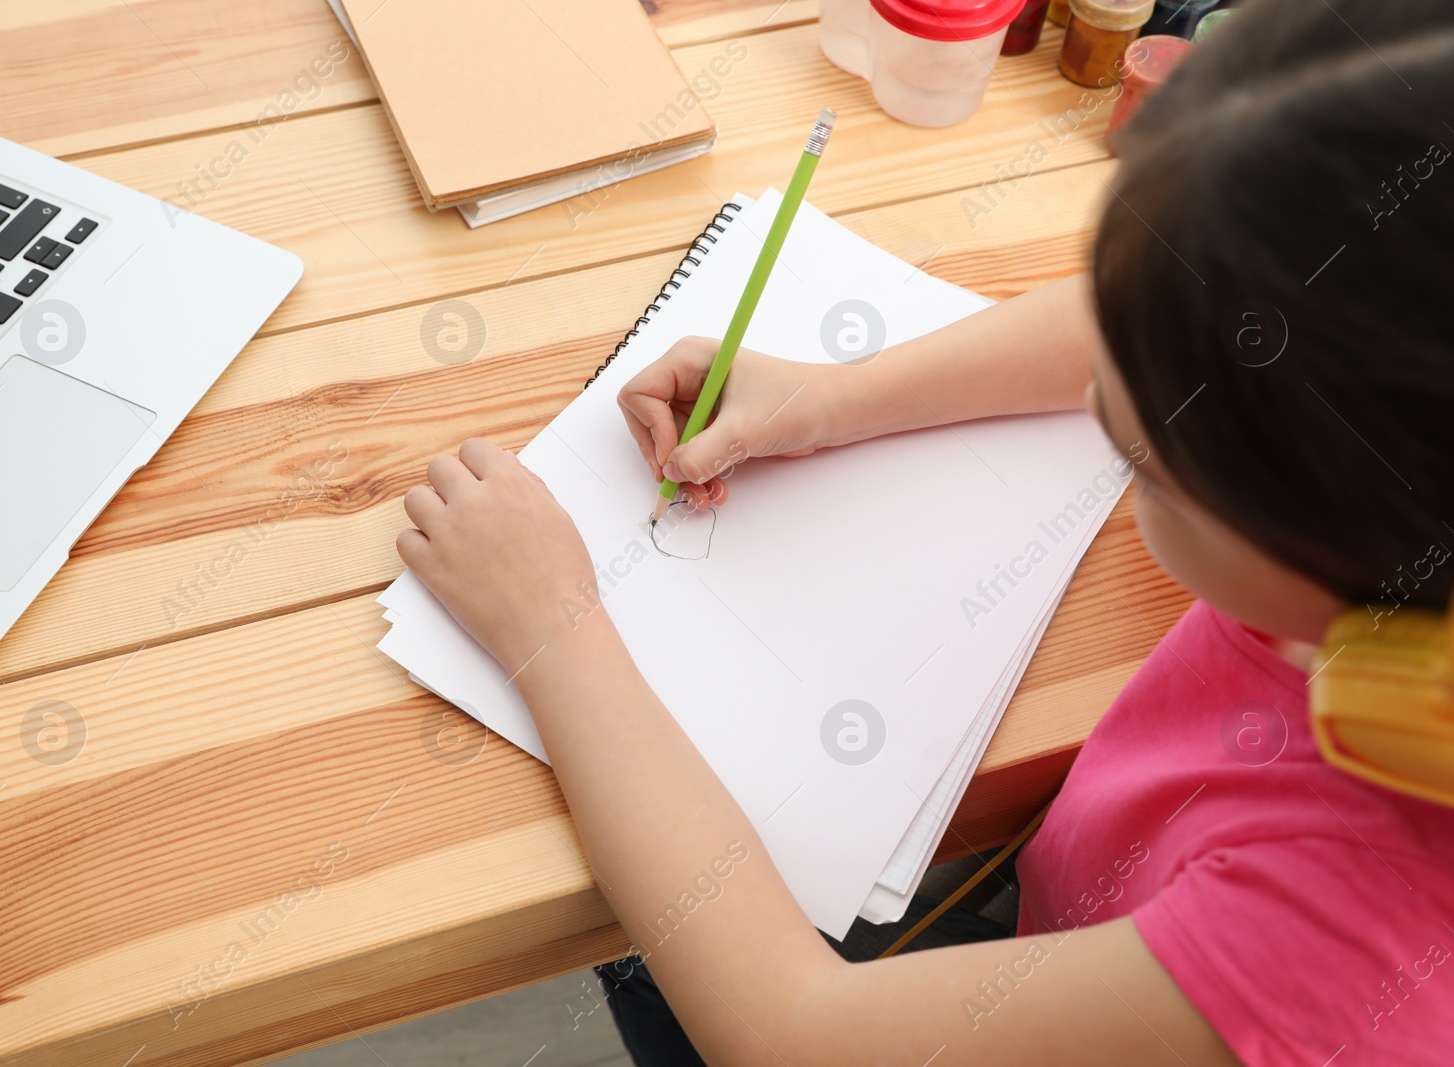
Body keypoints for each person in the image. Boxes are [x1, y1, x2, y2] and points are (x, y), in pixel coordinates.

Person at [392, 0, 1454, 1061]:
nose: (1103, 387)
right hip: (1077, 910)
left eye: (1148, 460)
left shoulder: (1343, 933)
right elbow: (1143, 314)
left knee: (641, 927)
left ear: (1318, 509)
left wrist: (552, 627)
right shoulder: (1381, 525)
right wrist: (836, 398)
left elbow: (790, 1034)